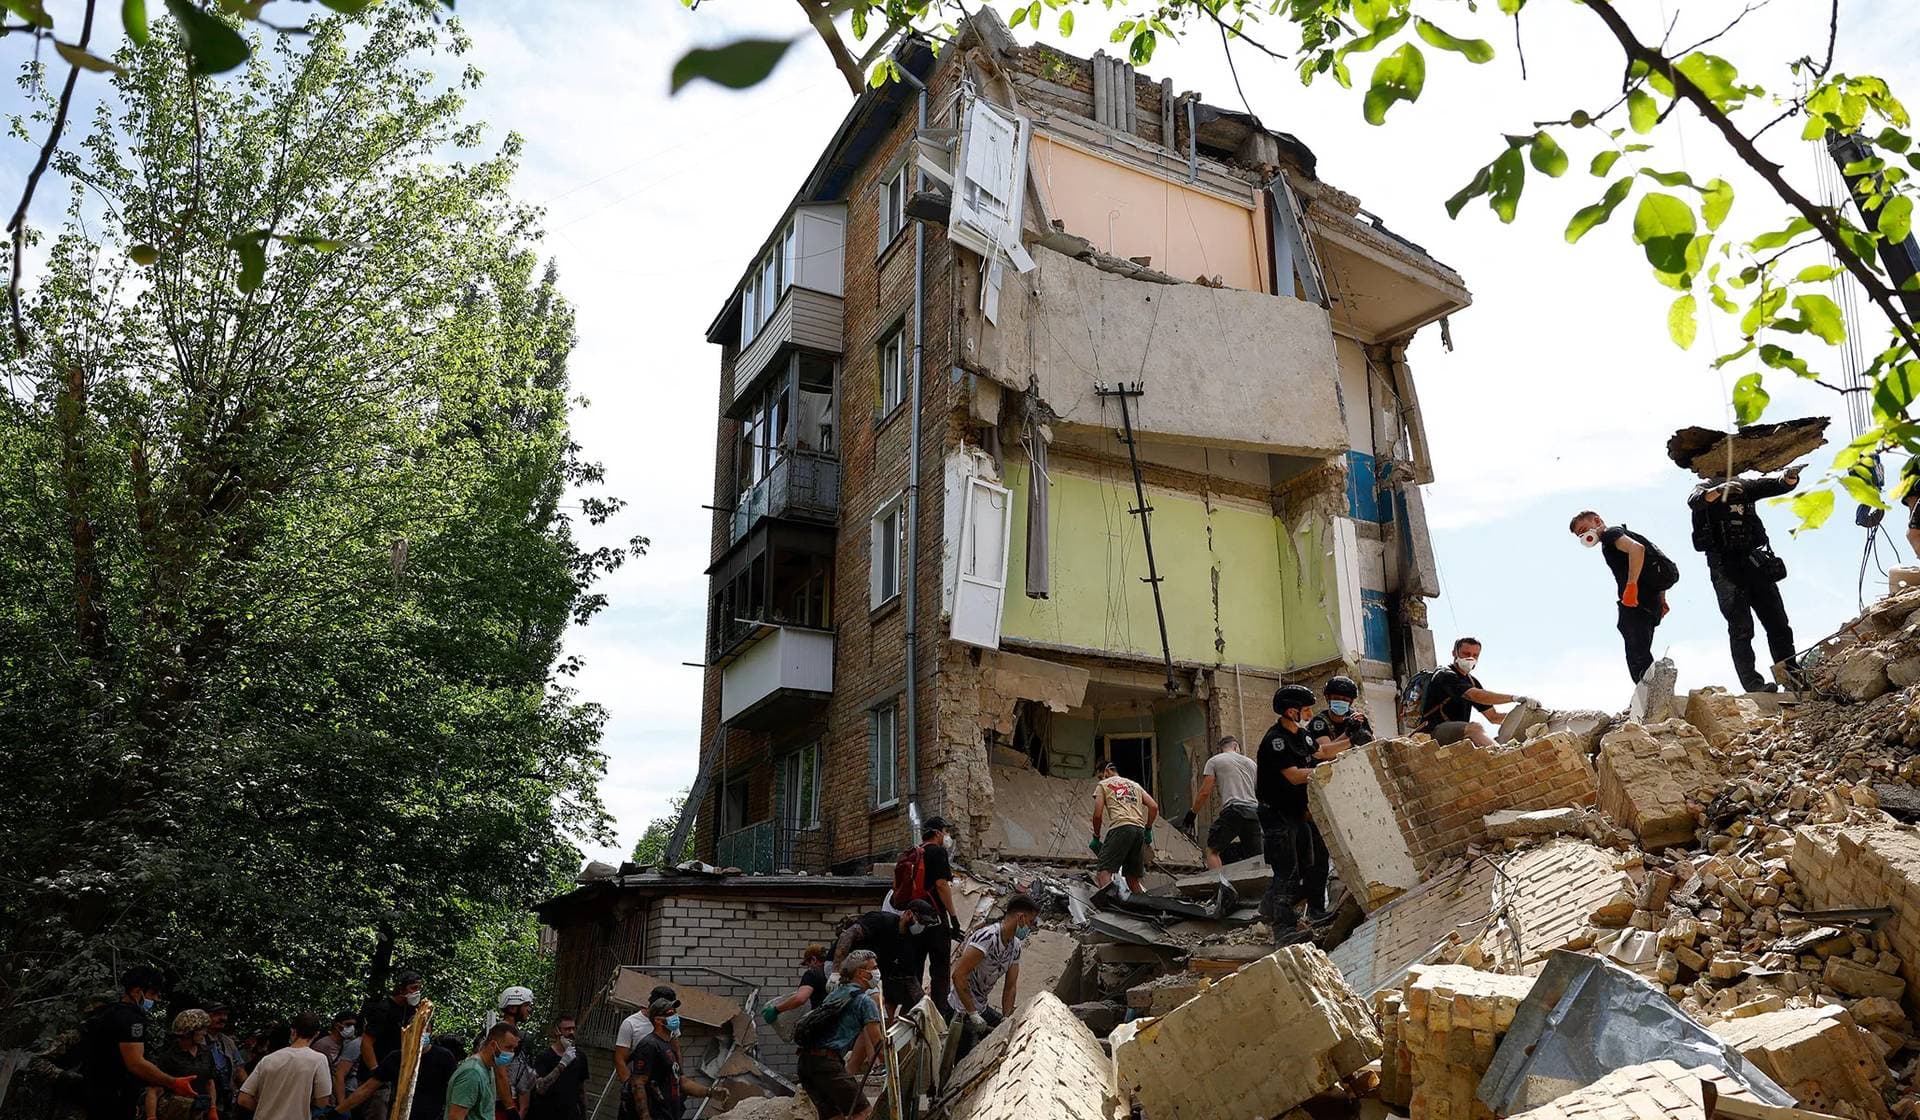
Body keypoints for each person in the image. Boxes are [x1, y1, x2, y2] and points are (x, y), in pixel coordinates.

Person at [1689, 467, 1803, 691]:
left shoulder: (1745, 486)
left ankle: (1792, 678)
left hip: (1754, 562)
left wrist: (1790, 478)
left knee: (1778, 622)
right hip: (1725, 568)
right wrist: (1718, 490)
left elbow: (1776, 485)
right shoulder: (1703, 488)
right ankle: (1753, 685)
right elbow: (1695, 501)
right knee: (1741, 628)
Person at [1256, 685, 1346, 931]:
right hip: (1277, 814)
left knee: (1313, 863)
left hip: (1298, 813)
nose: (1309, 714)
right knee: (1287, 870)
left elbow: (1323, 751)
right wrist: (1325, 772)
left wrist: (1352, 738)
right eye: (1305, 709)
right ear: (1290, 711)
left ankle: (1307, 911)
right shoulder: (1276, 740)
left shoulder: (1301, 735)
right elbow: (1294, 776)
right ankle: (1282, 927)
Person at [1570, 511, 1678, 683]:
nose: (1584, 536)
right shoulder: (1623, 533)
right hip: (1650, 601)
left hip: (1635, 601)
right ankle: (1652, 691)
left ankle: (1649, 694)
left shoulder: (1610, 535)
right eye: (1579, 535)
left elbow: (1637, 549)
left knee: (1636, 653)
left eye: (1584, 529)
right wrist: (1662, 599)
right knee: (1640, 649)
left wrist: (1631, 586)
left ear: (1597, 520)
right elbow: (1651, 562)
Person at [79, 965, 194, 1120]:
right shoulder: (131, 1019)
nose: (155, 999)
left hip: (94, 1093)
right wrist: (173, 1082)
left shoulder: (107, 1013)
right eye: (152, 993)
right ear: (136, 991)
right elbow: (136, 1063)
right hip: (112, 1098)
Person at [948, 894, 1039, 1062]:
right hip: (960, 1007)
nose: (1030, 927)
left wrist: (1006, 1017)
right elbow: (958, 976)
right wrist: (972, 1013)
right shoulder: (987, 938)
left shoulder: (1014, 947)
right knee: (963, 1059)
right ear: (1020, 917)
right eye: (1030, 922)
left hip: (981, 1006)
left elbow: (1010, 986)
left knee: (1010, 1034)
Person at [795, 951, 885, 1120]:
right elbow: (878, 1044)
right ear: (860, 973)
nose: (877, 972)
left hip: (806, 1064)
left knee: (834, 1116)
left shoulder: (835, 994)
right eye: (874, 968)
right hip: (827, 1064)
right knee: (863, 1113)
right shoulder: (865, 1002)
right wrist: (893, 1067)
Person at [890, 817, 960, 1018]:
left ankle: (913, 1012)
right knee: (939, 971)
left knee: (916, 967)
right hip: (935, 919)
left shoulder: (913, 853)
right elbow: (941, 885)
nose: (947, 837)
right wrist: (953, 917)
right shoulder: (937, 852)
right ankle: (938, 1014)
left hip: (914, 920)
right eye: (945, 832)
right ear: (938, 833)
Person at [628, 996, 726, 1120]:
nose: (675, 1016)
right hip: (656, 1114)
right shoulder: (649, 1045)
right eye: (670, 1014)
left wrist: (711, 1092)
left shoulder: (668, 1045)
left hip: (670, 1112)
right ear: (658, 1020)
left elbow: (681, 1081)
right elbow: (638, 1084)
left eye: (675, 1012)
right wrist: (645, 1117)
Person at [834, 900, 935, 1017]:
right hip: (842, 964)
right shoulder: (881, 920)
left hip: (870, 975)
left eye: (925, 924)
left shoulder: (910, 942)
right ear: (908, 914)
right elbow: (848, 935)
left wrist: (923, 1002)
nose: (922, 927)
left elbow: (910, 977)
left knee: (878, 1005)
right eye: (921, 921)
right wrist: (835, 971)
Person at [1412, 638, 1521, 747]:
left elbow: (1494, 717)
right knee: (1475, 728)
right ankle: (1499, 754)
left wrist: (1524, 715)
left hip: (1458, 733)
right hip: (1432, 731)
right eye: (1466, 653)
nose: (1471, 658)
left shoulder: (1472, 682)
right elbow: (1476, 695)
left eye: (1475, 655)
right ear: (1454, 653)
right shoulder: (1444, 674)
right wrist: (1514, 698)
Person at [1180, 736, 1262, 869]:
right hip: (1253, 813)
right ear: (1236, 747)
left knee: (1212, 850)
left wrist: (1192, 813)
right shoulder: (1251, 763)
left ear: (1221, 749)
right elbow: (1261, 792)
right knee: (1255, 857)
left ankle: (1219, 886)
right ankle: (1259, 887)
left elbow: (1205, 791)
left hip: (1233, 810)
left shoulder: (1214, 761)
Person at [236, 1012, 331, 1120]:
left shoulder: (268, 1059)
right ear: (316, 1034)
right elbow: (322, 1101)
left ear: (293, 1031)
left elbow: (243, 1099)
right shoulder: (318, 1060)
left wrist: (265, 1109)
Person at [357, 970, 421, 1120]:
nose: (416, 992)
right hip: (379, 1077)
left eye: (419, 988)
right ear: (401, 988)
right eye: (413, 988)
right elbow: (366, 1042)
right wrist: (375, 1070)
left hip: (398, 1076)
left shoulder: (412, 1011)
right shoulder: (383, 1009)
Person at [1090, 760, 1158, 893]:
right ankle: (1144, 909)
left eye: (1100, 776)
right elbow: (1153, 806)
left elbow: (1097, 815)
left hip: (1120, 827)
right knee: (1132, 879)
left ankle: (1110, 907)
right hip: (1138, 830)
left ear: (1107, 771)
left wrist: (1096, 836)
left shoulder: (1103, 784)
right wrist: (1148, 829)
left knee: (1103, 873)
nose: (1100, 779)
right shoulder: (1135, 785)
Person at [613, 983, 678, 1116]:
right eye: (667, 1008)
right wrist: (631, 1089)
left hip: (663, 1093)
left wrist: (679, 1080)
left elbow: (676, 1051)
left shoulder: (670, 1023)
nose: (672, 1014)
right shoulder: (631, 1024)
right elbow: (620, 1059)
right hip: (641, 1088)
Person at [145, 1010, 215, 1120]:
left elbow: (210, 1083)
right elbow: (153, 1090)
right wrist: (151, 1117)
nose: (204, 1033)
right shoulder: (169, 1057)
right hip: (176, 1112)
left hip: (200, 1112)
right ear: (189, 1032)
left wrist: (213, 1108)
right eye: (201, 1029)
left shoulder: (206, 1053)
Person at [446, 1025, 520, 1120]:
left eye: (513, 1048)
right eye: (508, 1047)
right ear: (493, 1045)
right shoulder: (472, 1073)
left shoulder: (488, 1069)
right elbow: (455, 1117)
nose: (511, 1053)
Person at [525, 1016, 589, 1120]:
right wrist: (562, 1064)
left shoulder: (580, 1056)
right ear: (557, 1031)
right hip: (547, 1113)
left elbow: (581, 1088)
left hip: (571, 1115)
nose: (571, 1032)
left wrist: (584, 1113)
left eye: (573, 1028)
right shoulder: (545, 1056)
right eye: (567, 1029)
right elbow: (540, 1088)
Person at [762, 945, 831, 1031]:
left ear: (814, 959)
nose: (809, 967)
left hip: (821, 1026)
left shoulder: (812, 974)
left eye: (808, 964)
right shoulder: (834, 973)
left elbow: (800, 998)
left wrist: (776, 1010)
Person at [496, 986, 537, 1117]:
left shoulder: (512, 1033)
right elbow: (500, 1073)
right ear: (513, 1008)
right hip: (501, 1102)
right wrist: (512, 1108)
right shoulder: (501, 1034)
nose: (529, 1010)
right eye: (526, 1005)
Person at [1307, 676, 1375, 754]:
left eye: (1345, 700)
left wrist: (1368, 730)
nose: (1341, 702)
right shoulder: (1319, 723)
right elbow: (1324, 753)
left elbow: (1373, 747)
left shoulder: (1356, 718)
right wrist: (1347, 734)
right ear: (1327, 698)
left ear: (1351, 702)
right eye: (1336, 698)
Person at [202, 1003, 248, 1117]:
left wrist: (249, 1090)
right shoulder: (197, 1040)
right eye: (217, 1014)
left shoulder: (228, 1042)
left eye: (225, 1015)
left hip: (225, 1102)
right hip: (203, 1099)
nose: (223, 1018)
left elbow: (239, 1070)